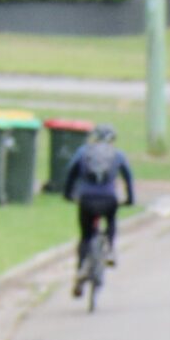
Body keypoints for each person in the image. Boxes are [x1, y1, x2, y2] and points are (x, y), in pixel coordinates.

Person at [62, 123, 135, 297]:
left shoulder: (83, 152)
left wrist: (68, 195)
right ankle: (109, 249)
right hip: (109, 200)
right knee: (110, 221)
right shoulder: (118, 154)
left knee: (86, 236)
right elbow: (128, 178)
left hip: (86, 199)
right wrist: (130, 200)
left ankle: (80, 270)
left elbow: (70, 173)